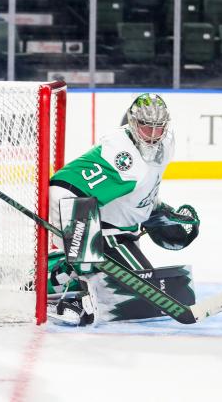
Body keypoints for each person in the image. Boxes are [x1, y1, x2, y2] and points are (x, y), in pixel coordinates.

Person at [46, 93, 199, 326]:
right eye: (147, 127)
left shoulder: (167, 144)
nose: (154, 135)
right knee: (135, 289)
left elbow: (142, 186)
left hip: (118, 226)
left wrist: (154, 210)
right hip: (78, 208)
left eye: (160, 127)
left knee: (141, 286)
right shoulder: (122, 156)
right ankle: (65, 285)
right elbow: (68, 189)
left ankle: (64, 271)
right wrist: (83, 243)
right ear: (133, 122)